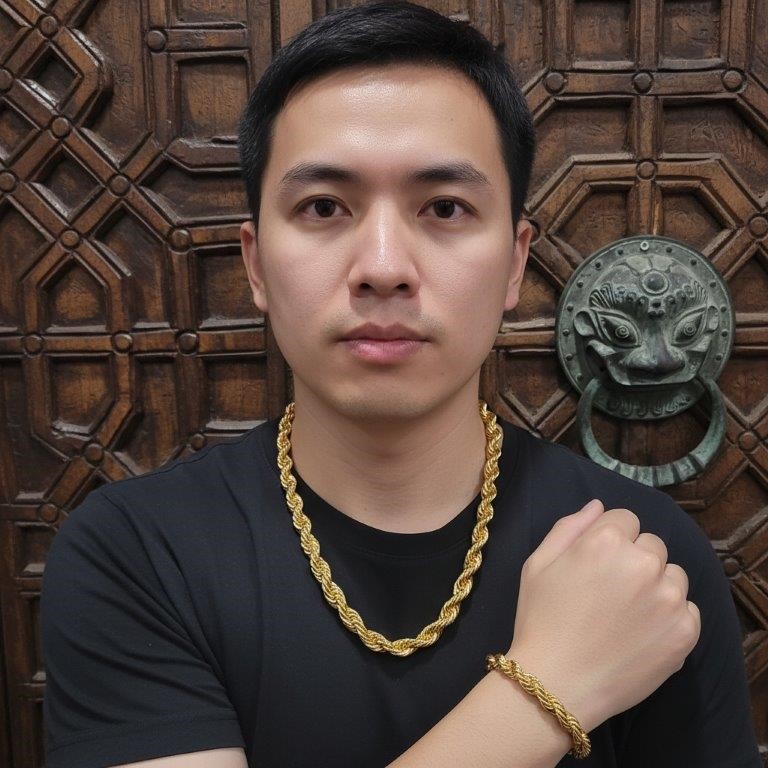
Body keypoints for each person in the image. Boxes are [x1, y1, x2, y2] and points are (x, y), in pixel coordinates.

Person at [40, 2, 762, 767]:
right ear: (255, 264)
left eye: (445, 208)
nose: (383, 267)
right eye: (324, 207)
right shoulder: (137, 554)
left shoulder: (640, 561)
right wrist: (547, 688)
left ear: (515, 262)